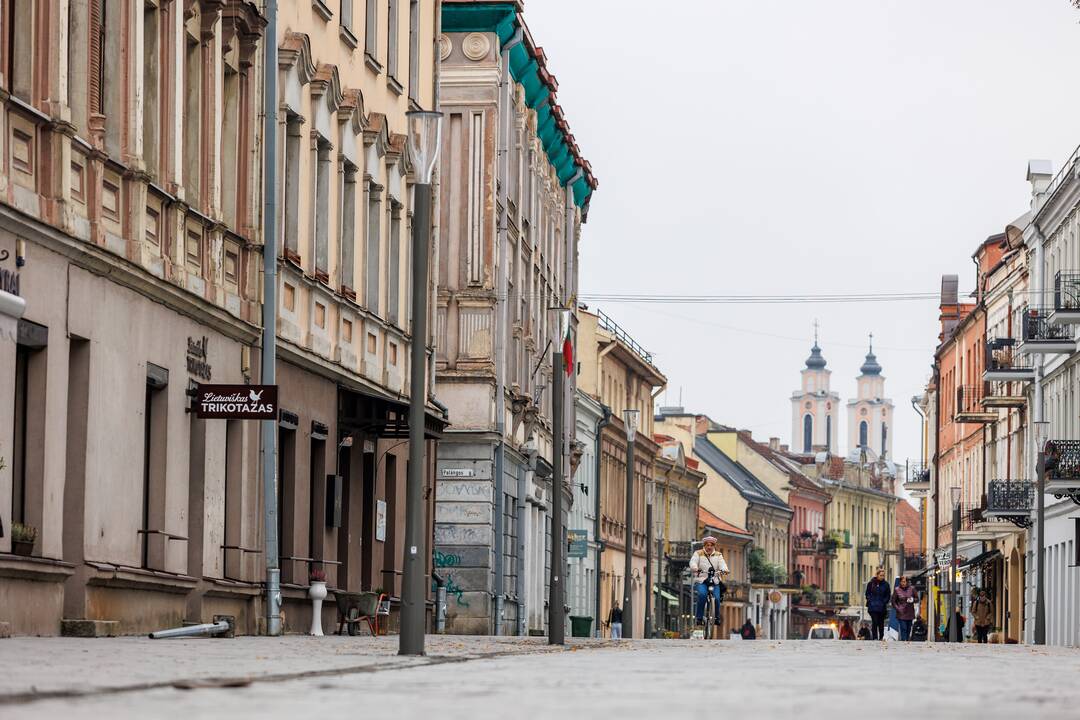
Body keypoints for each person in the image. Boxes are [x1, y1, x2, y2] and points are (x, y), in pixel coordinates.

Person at [689, 535, 729, 627]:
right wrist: (695, 568)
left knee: (717, 598)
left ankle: (716, 617)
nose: (709, 547)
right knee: (702, 595)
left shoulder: (718, 555)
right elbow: (693, 562)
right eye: (707, 545)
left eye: (711, 545)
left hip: (714, 580)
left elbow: (722, 564)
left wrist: (725, 570)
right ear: (704, 545)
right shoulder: (698, 553)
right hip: (701, 580)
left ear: (714, 546)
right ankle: (699, 618)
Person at [865, 567, 891, 640]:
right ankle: (875, 637)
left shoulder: (886, 585)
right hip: (872, 607)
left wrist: (884, 601)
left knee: (881, 623)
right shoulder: (871, 584)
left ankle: (881, 637)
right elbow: (867, 593)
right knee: (875, 621)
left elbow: (888, 595)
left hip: (881, 607)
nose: (882, 577)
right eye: (881, 575)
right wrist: (870, 600)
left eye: (883, 575)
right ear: (877, 575)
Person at [891, 576, 919, 641]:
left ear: (907, 582)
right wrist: (898, 608)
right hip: (901, 612)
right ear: (900, 582)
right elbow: (893, 601)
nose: (903, 583)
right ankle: (904, 640)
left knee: (908, 628)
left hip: (910, 612)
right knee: (903, 627)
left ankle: (907, 639)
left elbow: (917, 599)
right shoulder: (897, 589)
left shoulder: (912, 589)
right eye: (902, 582)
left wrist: (913, 600)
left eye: (904, 582)